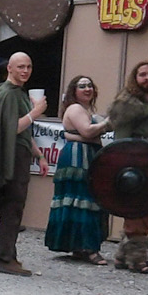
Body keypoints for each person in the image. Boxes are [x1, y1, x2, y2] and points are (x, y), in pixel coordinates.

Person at [105, 60, 148, 275]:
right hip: (136, 163)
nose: (147, 79)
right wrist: (125, 164)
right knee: (138, 207)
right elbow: (121, 136)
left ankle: (123, 256)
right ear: (135, 78)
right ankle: (137, 260)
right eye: (142, 75)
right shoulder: (128, 102)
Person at [0, 52, 45, 276]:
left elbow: (22, 131)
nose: (25, 71)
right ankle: (4, 257)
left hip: (20, 152)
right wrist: (35, 112)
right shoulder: (7, 93)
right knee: (12, 206)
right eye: (20, 67)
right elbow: (13, 128)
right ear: (9, 68)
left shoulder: (17, 92)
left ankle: (10, 254)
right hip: (11, 156)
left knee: (16, 206)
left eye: (28, 67)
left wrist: (39, 155)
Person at [43, 74, 110, 264]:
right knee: (82, 198)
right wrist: (108, 122)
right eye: (82, 86)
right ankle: (87, 248)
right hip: (78, 158)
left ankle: (80, 246)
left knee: (86, 199)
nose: (87, 89)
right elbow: (88, 131)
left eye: (90, 85)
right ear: (74, 91)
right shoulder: (75, 108)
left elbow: (82, 134)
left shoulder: (88, 111)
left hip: (87, 155)